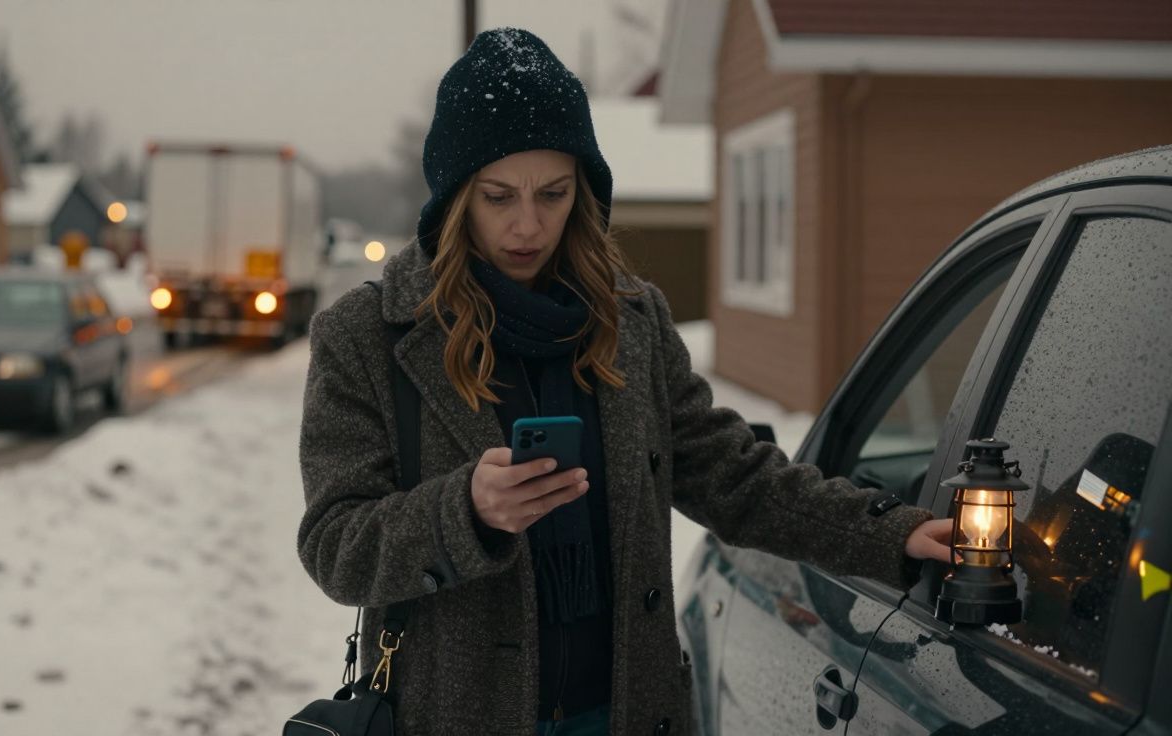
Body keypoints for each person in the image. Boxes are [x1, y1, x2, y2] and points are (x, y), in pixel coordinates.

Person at [298, 27, 952, 736]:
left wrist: (893, 534)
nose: (528, 224)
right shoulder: (370, 335)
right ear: (455, 196)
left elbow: (737, 477)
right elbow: (336, 544)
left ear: (585, 193)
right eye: (498, 196)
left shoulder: (630, 322)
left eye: (553, 194)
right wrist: (467, 510)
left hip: (622, 714)